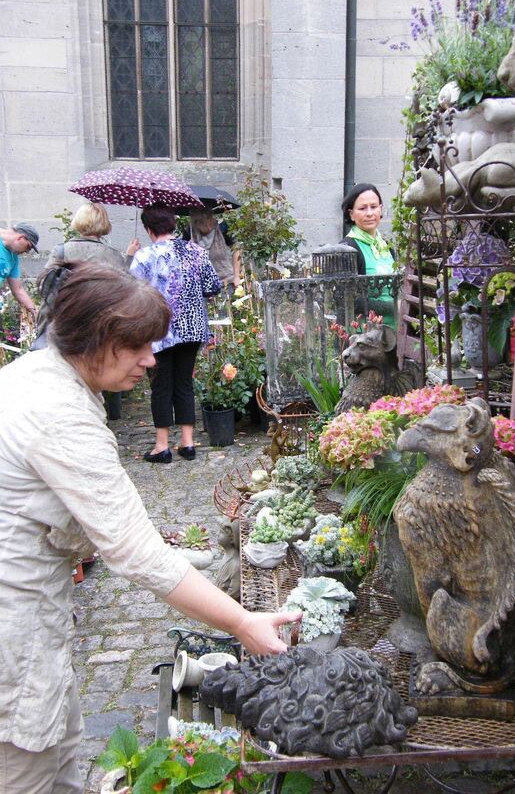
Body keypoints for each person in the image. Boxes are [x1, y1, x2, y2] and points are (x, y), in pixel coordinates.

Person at [0, 262, 300, 794]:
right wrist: (241, 622)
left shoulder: (35, 374)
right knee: (29, 766)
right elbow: (134, 551)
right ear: (94, 339)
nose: (150, 359)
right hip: (14, 632)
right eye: (136, 345)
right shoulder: (59, 411)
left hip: (32, 622)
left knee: (58, 751)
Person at [130, 205, 221, 463]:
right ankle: (188, 442)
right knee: (184, 382)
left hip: (159, 329)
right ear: (172, 224)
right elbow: (213, 286)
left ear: (149, 229)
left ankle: (162, 446)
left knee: (160, 385)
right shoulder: (195, 250)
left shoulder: (145, 256)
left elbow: (131, 292)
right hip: (192, 328)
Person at [34, 203, 135, 352]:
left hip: (64, 322)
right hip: (99, 325)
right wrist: (130, 257)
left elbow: (44, 284)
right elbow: (125, 290)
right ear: (104, 223)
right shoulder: (113, 256)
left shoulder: (61, 251)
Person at [340, 183, 397, 325]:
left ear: (381, 209)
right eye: (362, 208)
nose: (370, 213)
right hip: (365, 336)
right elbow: (350, 301)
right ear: (351, 214)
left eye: (374, 206)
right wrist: (395, 307)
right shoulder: (347, 249)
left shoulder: (387, 247)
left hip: (395, 332)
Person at [189, 207, 241, 294]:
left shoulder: (222, 226)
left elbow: (236, 248)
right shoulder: (190, 231)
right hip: (202, 286)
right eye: (202, 223)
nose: (208, 227)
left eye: (208, 222)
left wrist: (236, 276)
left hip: (226, 282)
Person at [0, 222, 39, 315]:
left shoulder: (13, 258)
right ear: (20, 238)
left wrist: (36, 313)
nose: (27, 251)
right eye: (28, 247)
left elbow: (18, 290)